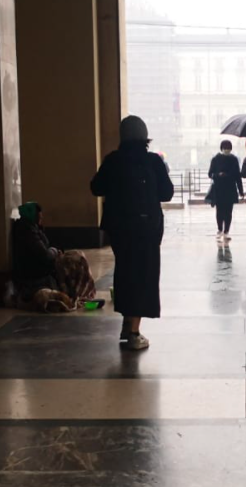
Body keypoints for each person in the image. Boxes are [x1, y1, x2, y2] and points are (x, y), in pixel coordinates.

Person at [90, 115, 174, 350]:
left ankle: (128, 324)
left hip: (119, 230)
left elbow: (96, 187)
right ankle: (134, 333)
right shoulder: (153, 161)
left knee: (125, 272)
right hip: (148, 228)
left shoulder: (113, 160)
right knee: (144, 276)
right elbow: (167, 193)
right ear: (145, 137)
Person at [11, 202, 97, 312]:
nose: (41, 219)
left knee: (77, 256)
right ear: (32, 216)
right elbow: (45, 255)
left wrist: (54, 251)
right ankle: (79, 292)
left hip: (41, 265)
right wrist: (55, 251)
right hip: (36, 272)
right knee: (77, 260)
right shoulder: (27, 231)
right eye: (39, 217)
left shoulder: (31, 227)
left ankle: (79, 291)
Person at [208, 139, 244, 241]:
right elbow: (210, 173)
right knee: (219, 210)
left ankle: (226, 231)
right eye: (225, 148)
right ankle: (220, 229)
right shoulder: (215, 159)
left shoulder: (234, 159)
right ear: (221, 148)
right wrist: (217, 175)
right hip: (219, 188)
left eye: (228, 148)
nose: (227, 150)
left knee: (228, 211)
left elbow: (238, 176)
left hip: (230, 189)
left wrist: (241, 191)